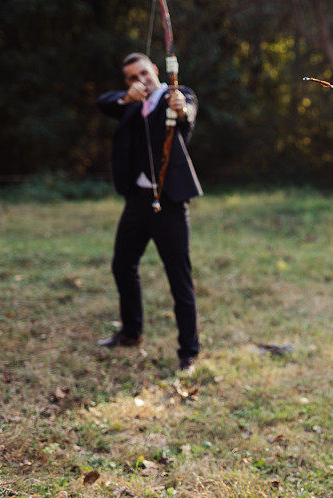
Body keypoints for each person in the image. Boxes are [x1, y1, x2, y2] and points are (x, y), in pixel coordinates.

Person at [95, 52, 203, 371]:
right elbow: (104, 102)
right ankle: (131, 332)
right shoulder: (129, 104)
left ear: (156, 70)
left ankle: (189, 351)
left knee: (178, 277)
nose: (139, 80)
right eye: (131, 77)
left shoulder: (176, 96)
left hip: (168, 203)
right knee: (122, 265)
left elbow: (187, 109)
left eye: (143, 73)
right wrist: (126, 97)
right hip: (137, 201)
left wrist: (180, 108)